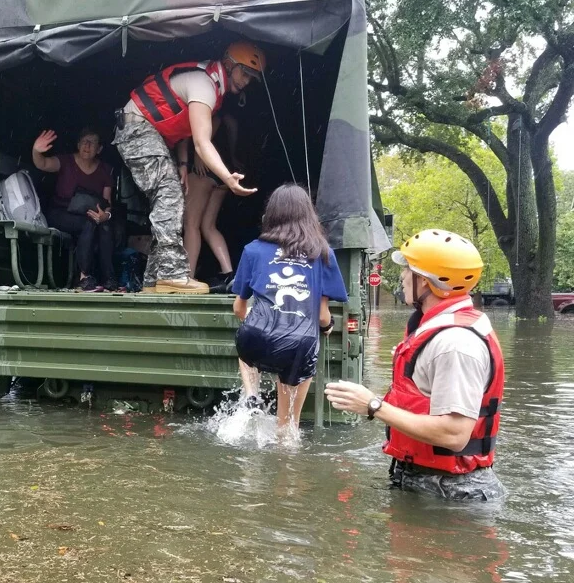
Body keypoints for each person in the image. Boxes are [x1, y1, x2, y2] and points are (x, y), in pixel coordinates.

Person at [325, 230, 506, 501]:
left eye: (407, 270)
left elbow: (455, 434)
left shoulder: (455, 344)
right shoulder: (437, 328)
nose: (402, 276)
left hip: (452, 495)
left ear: (424, 282)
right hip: (429, 482)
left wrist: (373, 406)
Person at [113, 40, 264, 294]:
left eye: (251, 78)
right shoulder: (204, 84)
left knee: (171, 199)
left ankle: (155, 279)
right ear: (228, 65)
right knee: (170, 195)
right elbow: (202, 142)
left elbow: (181, 128)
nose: (246, 81)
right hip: (137, 127)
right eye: (244, 73)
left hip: (150, 133)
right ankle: (172, 274)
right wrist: (227, 177)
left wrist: (182, 164)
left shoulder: (211, 88)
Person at [230, 184, 348, 435]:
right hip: (299, 345)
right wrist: (327, 328)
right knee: (287, 429)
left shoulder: (252, 250)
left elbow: (239, 308)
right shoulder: (323, 252)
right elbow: (321, 316)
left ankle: (251, 395)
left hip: (256, 337)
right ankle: (289, 470)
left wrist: (259, 321)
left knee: (248, 336)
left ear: (271, 215)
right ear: (309, 214)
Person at [32, 127, 117, 291]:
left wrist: (106, 215)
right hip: (60, 214)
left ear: (99, 149)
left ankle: (110, 279)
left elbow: (108, 202)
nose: (87, 145)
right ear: (78, 144)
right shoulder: (65, 162)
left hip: (89, 214)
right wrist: (36, 151)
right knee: (89, 223)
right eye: (84, 141)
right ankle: (83, 278)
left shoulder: (105, 170)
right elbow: (42, 164)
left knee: (105, 226)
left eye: (92, 142)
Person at [183, 111, 243, 288]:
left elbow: (204, 138)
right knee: (208, 226)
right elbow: (231, 146)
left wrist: (197, 156)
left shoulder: (211, 114)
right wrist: (232, 161)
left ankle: (188, 276)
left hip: (204, 171)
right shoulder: (231, 119)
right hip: (223, 174)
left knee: (191, 225)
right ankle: (228, 273)